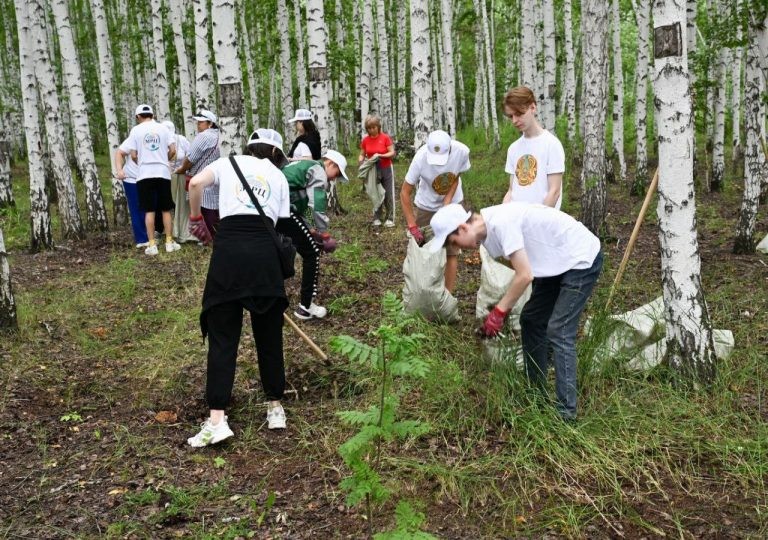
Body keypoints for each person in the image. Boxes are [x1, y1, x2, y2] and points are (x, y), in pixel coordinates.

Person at [429, 203, 603, 421]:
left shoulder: (501, 223)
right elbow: (527, 267)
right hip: (554, 264)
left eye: (455, 242)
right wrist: (502, 307)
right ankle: (536, 395)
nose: (460, 250)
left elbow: (525, 275)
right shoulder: (487, 239)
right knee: (531, 320)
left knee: (559, 330)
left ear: (463, 228)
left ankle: (566, 414)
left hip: (580, 258)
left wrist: (500, 312)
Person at [185, 131, 292, 447]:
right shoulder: (279, 176)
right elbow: (280, 227)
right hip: (264, 256)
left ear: (249, 147)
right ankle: (275, 408)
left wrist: (195, 218)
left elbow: (193, 184)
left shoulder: (226, 163)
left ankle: (217, 418)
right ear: (275, 154)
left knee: (223, 337)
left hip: (228, 253)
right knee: (269, 335)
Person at [247, 128, 348, 320]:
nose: (335, 178)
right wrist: (322, 231)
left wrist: (310, 228)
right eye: (337, 173)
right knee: (312, 252)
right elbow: (316, 203)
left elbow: (301, 203)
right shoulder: (317, 169)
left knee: (278, 251)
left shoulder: (302, 166)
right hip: (283, 212)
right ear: (330, 163)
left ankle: (268, 295)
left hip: (272, 209)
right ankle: (306, 306)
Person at [400, 130, 470, 292]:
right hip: (427, 206)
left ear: (450, 149)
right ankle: (426, 292)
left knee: (451, 251)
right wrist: (412, 226)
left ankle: (447, 296)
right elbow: (404, 192)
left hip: (452, 204)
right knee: (425, 253)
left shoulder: (462, 151)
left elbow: (456, 174)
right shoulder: (420, 158)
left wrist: (447, 201)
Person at [119, 104, 178, 255]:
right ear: (152, 115)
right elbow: (173, 150)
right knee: (165, 209)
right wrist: (163, 159)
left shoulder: (136, 130)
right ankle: (169, 242)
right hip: (163, 172)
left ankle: (152, 245)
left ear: (138, 117)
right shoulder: (164, 129)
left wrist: (144, 161)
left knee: (149, 210)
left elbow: (132, 154)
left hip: (144, 173)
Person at [501, 86, 565, 209]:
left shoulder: (551, 144)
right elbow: (511, 191)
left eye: (519, 114)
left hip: (543, 222)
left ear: (533, 107)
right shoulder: (513, 148)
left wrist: (537, 222)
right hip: (517, 221)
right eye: (511, 116)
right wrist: (503, 216)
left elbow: (554, 192)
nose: (514, 120)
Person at [174, 109, 221, 237]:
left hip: (201, 175)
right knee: (214, 206)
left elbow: (191, 158)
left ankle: (210, 236)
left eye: (201, 122)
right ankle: (216, 234)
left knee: (204, 207)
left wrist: (182, 169)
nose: (198, 125)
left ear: (210, 124)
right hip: (216, 176)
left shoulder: (204, 136)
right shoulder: (220, 135)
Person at [358, 114, 396, 227]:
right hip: (373, 170)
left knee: (388, 192)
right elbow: (362, 154)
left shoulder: (385, 138)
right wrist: (360, 161)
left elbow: (392, 152)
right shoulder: (365, 140)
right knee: (375, 192)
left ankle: (390, 218)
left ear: (378, 126)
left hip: (386, 168)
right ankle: (377, 217)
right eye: (369, 128)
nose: (372, 130)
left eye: (373, 127)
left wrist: (380, 155)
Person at [162, 120, 195, 243]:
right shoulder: (160, 141)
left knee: (180, 203)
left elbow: (190, 154)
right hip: (164, 176)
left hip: (181, 175)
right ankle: (167, 230)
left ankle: (181, 231)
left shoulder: (181, 140)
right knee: (168, 203)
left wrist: (184, 168)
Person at [114, 142, 147, 248]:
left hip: (149, 178)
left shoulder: (156, 136)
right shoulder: (133, 137)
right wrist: (119, 170)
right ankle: (141, 239)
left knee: (149, 207)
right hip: (132, 179)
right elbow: (119, 153)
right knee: (136, 208)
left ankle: (150, 235)